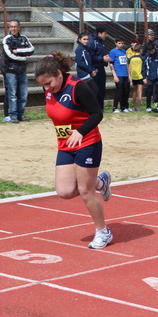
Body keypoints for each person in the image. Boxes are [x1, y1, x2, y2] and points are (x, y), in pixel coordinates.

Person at [34, 51, 113, 249]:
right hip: (65, 145)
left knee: (85, 191)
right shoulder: (49, 90)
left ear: (59, 74)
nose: (46, 88)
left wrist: (81, 131)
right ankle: (100, 183)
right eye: (43, 85)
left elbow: (97, 114)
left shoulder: (78, 87)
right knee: (65, 191)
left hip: (88, 142)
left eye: (49, 83)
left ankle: (103, 232)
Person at [1, 19, 35, 123]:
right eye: (11, 26)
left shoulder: (24, 38)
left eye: (15, 26)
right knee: (12, 94)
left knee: (23, 94)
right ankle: (13, 115)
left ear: (19, 27)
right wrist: (24, 57)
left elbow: (31, 50)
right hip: (10, 71)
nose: (13, 28)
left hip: (22, 70)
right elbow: (9, 55)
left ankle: (21, 114)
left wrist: (18, 51)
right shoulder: (7, 39)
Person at [87, 27, 110, 109]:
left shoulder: (102, 42)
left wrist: (106, 57)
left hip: (101, 68)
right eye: (105, 34)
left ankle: (100, 108)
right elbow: (91, 56)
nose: (106, 36)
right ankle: (93, 109)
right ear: (99, 33)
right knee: (94, 90)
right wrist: (102, 59)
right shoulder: (92, 42)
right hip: (94, 69)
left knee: (101, 90)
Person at [108, 39, 129, 113]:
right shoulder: (113, 51)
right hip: (118, 73)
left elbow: (126, 63)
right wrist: (114, 75)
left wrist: (129, 75)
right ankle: (115, 107)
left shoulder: (124, 51)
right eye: (119, 43)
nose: (121, 45)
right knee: (119, 91)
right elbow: (111, 64)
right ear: (115, 43)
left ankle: (124, 107)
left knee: (126, 91)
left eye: (122, 43)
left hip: (125, 74)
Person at [128, 42, 144, 111]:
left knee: (134, 91)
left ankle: (134, 106)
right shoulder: (142, 58)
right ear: (140, 50)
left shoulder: (131, 58)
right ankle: (139, 107)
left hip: (133, 76)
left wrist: (130, 75)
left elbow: (129, 67)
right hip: (140, 76)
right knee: (139, 91)